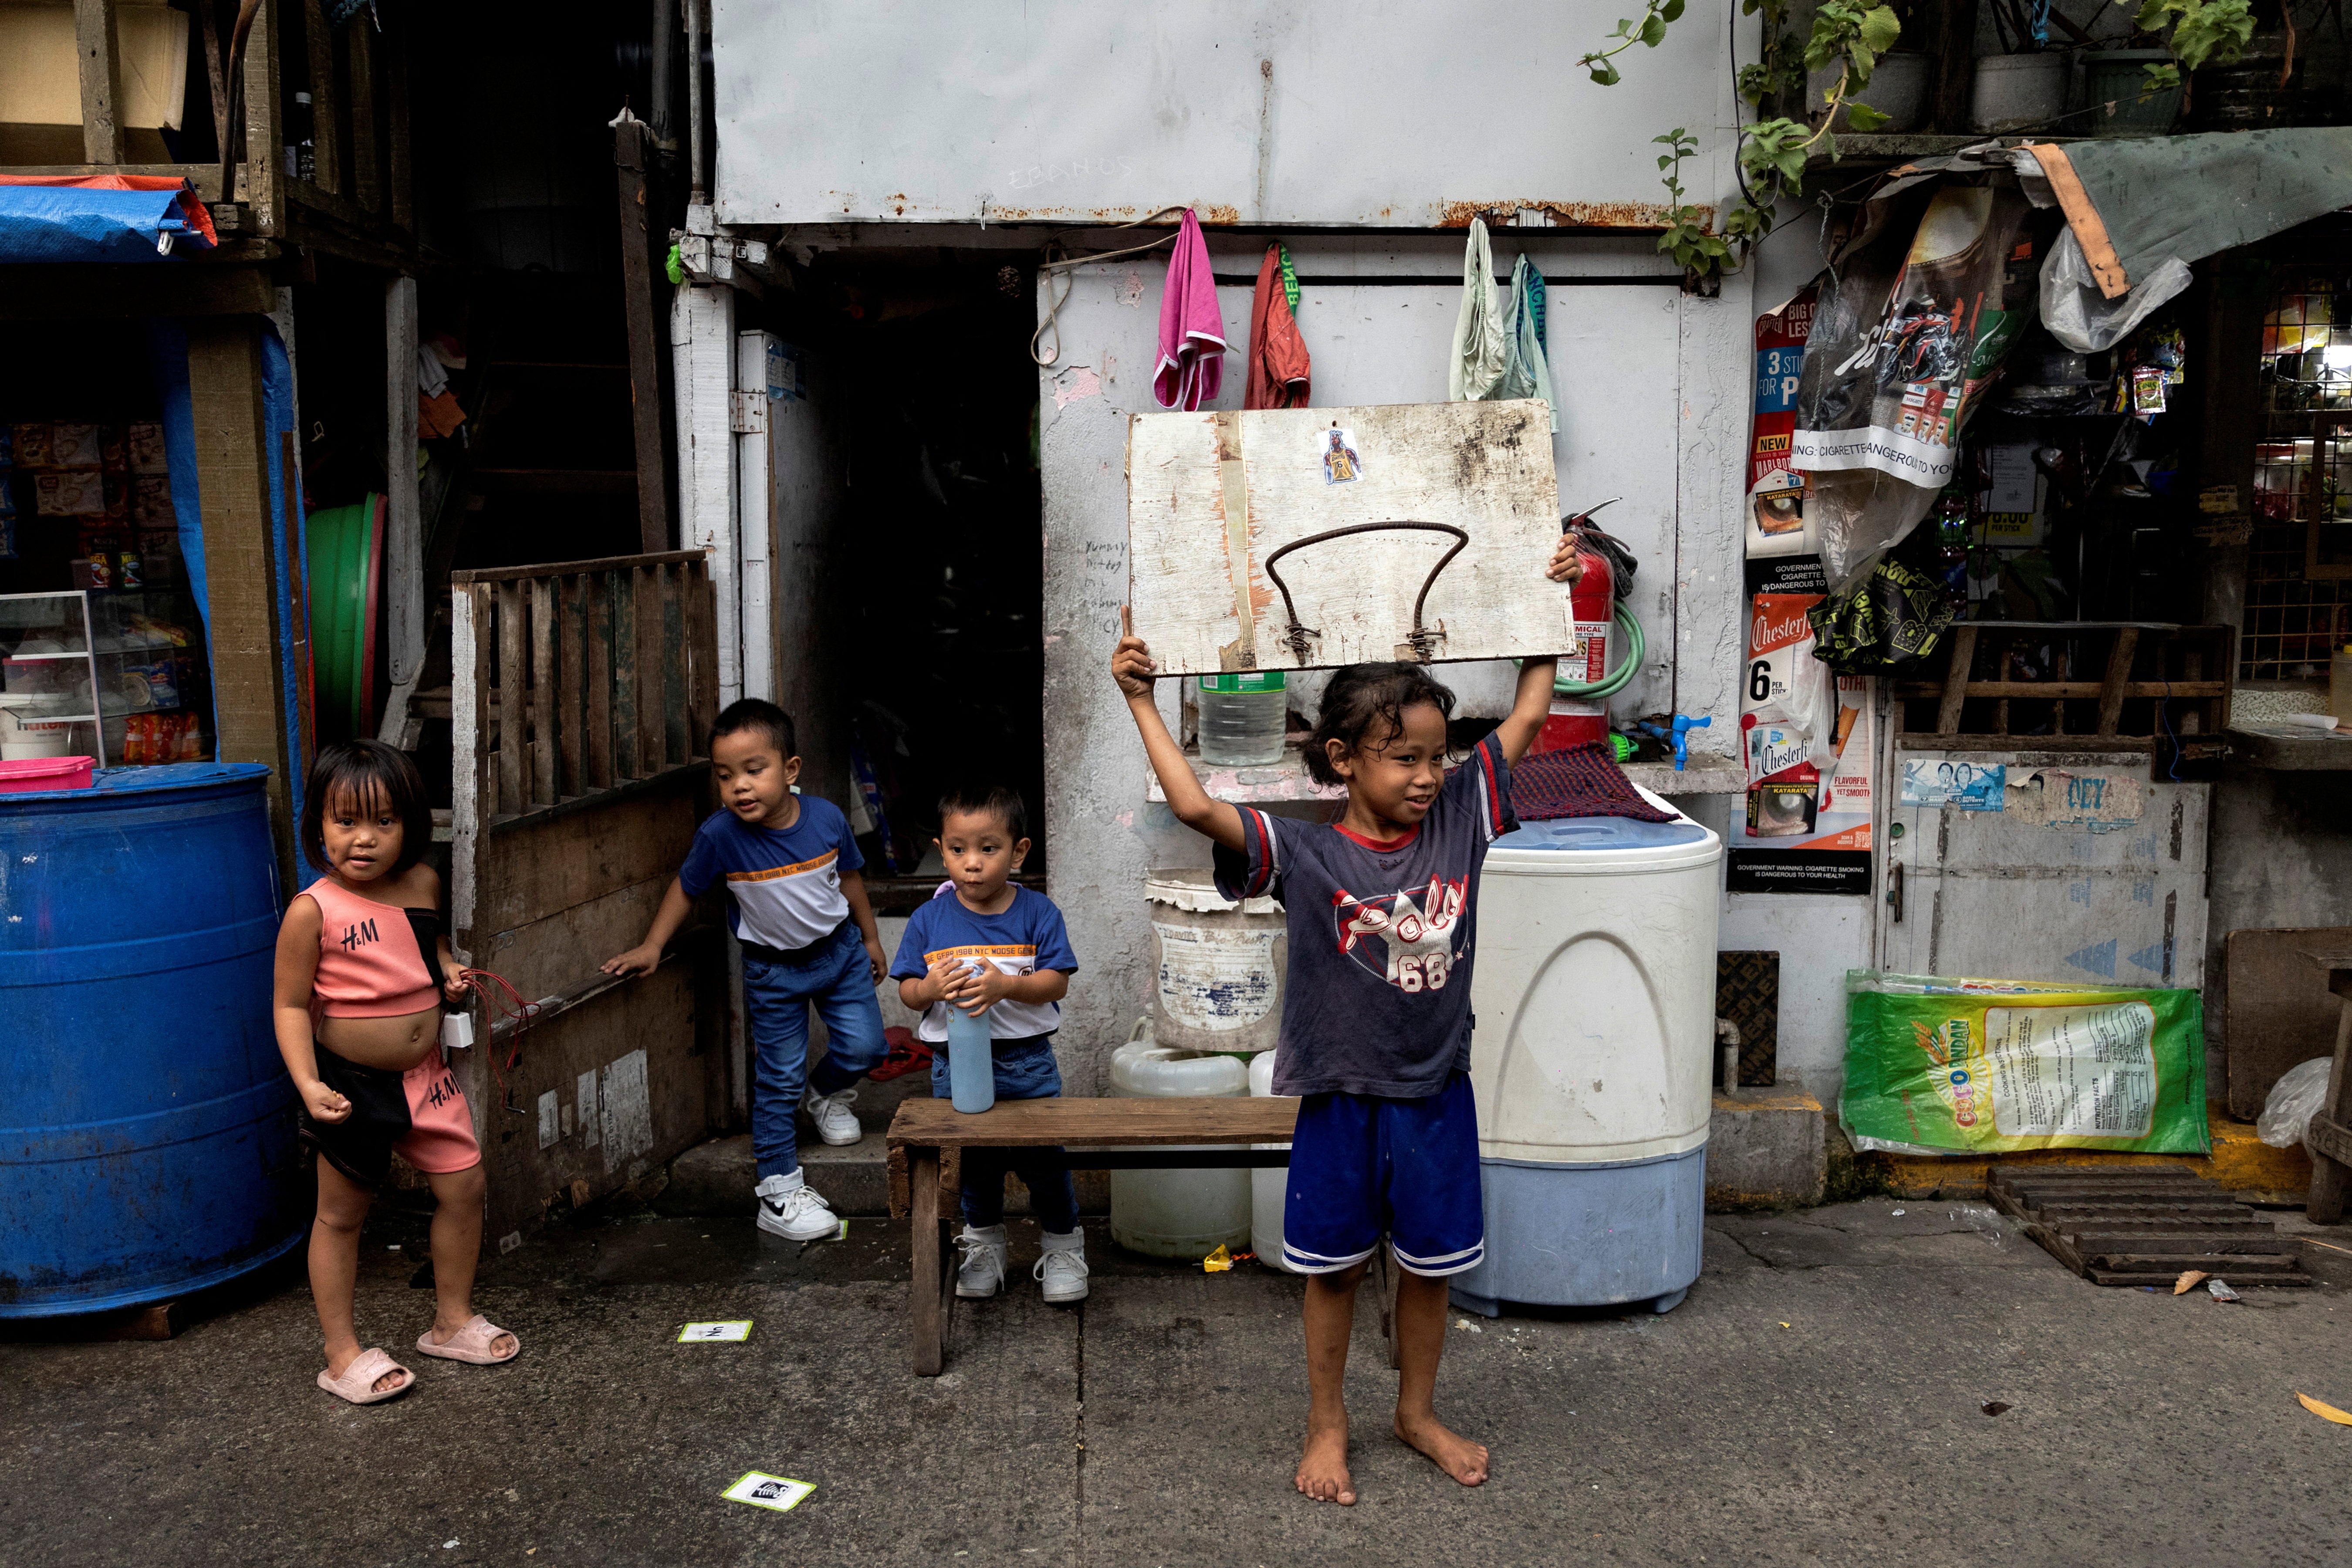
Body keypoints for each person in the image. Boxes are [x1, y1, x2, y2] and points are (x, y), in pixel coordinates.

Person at [1109, 538, 1579, 1504]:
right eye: (1400, 757)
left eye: (1435, 757)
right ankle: (1328, 1425)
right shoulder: (1306, 853)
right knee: (1331, 1273)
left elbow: (1533, 704)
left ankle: (1415, 1411)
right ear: (1341, 760)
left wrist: (1550, 598)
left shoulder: (1463, 815)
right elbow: (1196, 804)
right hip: (1339, 1100)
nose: (1424, 775)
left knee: (1433, 1269)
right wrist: (1142, 702)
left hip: (1436, 1093)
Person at [273, 740, 519, 1405]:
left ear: (410, 824)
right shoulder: (313, 910)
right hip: (351, 1087)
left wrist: (446, 968)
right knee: (342, 1216)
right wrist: (308, 1084)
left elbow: (428, 940)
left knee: (464, 1189)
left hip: (427, 1076)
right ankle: (341, 1352)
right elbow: (291, 1005)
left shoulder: (423, 884)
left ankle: (452, 1320)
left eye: (384, 822)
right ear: (317, 825)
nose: (364, 839)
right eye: (345, 821)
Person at [602, 698, 890, 1241]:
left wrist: (871, 939)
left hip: (841, 954)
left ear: (791, 770)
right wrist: (651, 946)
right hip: (773, 974)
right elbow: (686, 889)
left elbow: (850, 879)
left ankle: (826, 1093)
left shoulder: (827, 819)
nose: (739, 787)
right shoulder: (720, 837)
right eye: (725, 775)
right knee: (777, 1080)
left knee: (867, 1049)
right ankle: (779, 1194)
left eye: (754, 771)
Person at [889, 784, 1086, 1304]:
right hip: (955, 1065)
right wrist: (929, 989)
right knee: (975, 1164)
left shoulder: (1038, 913)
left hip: (1027, 1063)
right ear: (941, 849)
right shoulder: (929, 920)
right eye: (958, 850)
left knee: (1046, 1162)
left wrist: (1006, 986)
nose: (971, 864)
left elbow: (1057, 982)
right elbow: (909, 992)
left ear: (1019, 851)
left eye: (988, 848)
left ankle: (1065, 1246)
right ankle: (985, 1246)